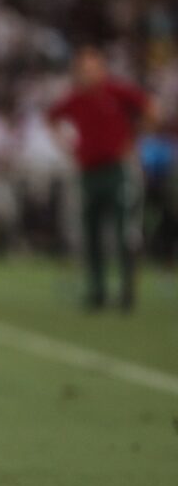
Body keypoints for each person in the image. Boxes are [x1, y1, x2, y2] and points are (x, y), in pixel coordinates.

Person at [47, 45, 157, 311]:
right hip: (88, 172)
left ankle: (127, 290)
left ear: (102, 69)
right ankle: (97, 290)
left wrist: (133, 139)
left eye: (92, 68)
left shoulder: (117, 92)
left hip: (117, 171)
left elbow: (151, 109)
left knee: (125, 232)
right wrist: (67, 146)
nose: (88, 74)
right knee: (91, 232)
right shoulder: (75, 98)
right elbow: (51, 118)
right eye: (83, 69)